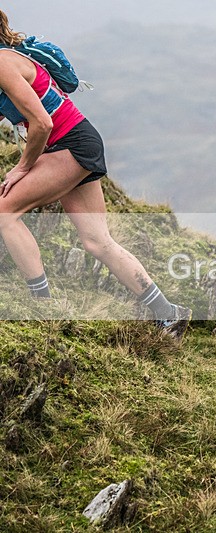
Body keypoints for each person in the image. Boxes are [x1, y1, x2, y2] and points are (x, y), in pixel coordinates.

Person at [0, 10, 190, 337]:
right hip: (80, 141)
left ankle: (42, 306)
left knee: (5, 212)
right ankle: (168, 313)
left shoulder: (3, 63)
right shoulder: (8, 61)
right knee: (97, 241)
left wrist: (23, 167)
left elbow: (43, 124)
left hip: (69, 145)